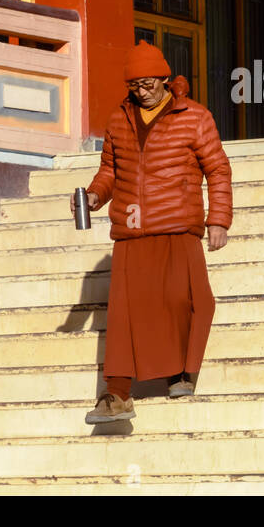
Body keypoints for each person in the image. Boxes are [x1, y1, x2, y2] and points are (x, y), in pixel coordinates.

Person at [82, 41, 232, 424]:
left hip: (179, 226)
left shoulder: (195, 117)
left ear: (164, 78)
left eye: (148, 83)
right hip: (132, 231)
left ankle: (184, 371)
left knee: (193, 302)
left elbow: (217, 169)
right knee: (124, 316)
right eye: (134, 86)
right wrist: (95, 195)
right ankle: (116, 393)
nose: (141, 91)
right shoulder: (119, 119)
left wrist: (218, 219)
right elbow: (110, 171)